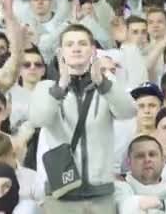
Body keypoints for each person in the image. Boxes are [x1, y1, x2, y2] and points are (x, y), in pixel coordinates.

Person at [30, 24, 136, 212]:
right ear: (60, 52)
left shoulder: (107, 85)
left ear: (93, 50)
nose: (76, 48)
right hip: (62, 192)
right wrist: (60, 86)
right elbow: (39, 119)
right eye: (70, 44)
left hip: (100, 194)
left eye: (82, 43)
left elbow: (128, 111)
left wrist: (103, 83)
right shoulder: (46, 87)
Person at [114, 135, 166, 213]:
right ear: (129, 162)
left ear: (163, 160)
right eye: (140, 156)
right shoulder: (117, 189)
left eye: (152, 154)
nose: (147, 159)